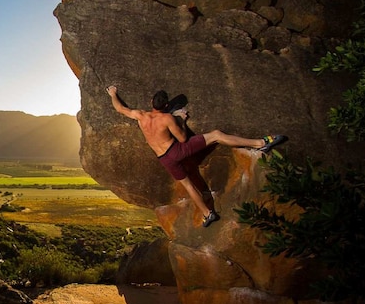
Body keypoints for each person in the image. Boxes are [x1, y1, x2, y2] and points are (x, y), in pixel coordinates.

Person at [106, 85, 287, 227]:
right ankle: (261, 143)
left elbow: (121, 109)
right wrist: (181, 120)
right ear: (167, 106)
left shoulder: (141, 116)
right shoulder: (168, 119)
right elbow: (183, 138)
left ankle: (207, 214)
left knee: (188, 184)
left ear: (151, 102)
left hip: (164, 158)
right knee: (216, 135)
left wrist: (113, 94)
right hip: (177, 150)